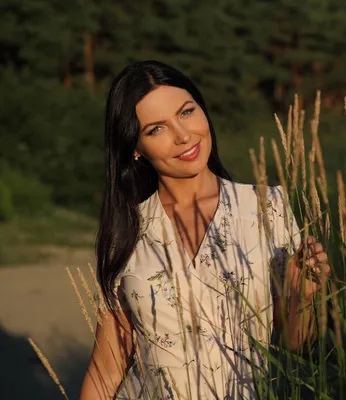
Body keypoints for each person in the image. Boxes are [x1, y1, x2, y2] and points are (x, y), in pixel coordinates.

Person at [80, 60, 331, 400]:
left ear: (203, 110)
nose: (183, 135)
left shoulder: (268, 207)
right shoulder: (128, 231)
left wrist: (302, 297)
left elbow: (295, 343)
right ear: (136, 148)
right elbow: (107, 368)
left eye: (186, 112)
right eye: (157, 129)